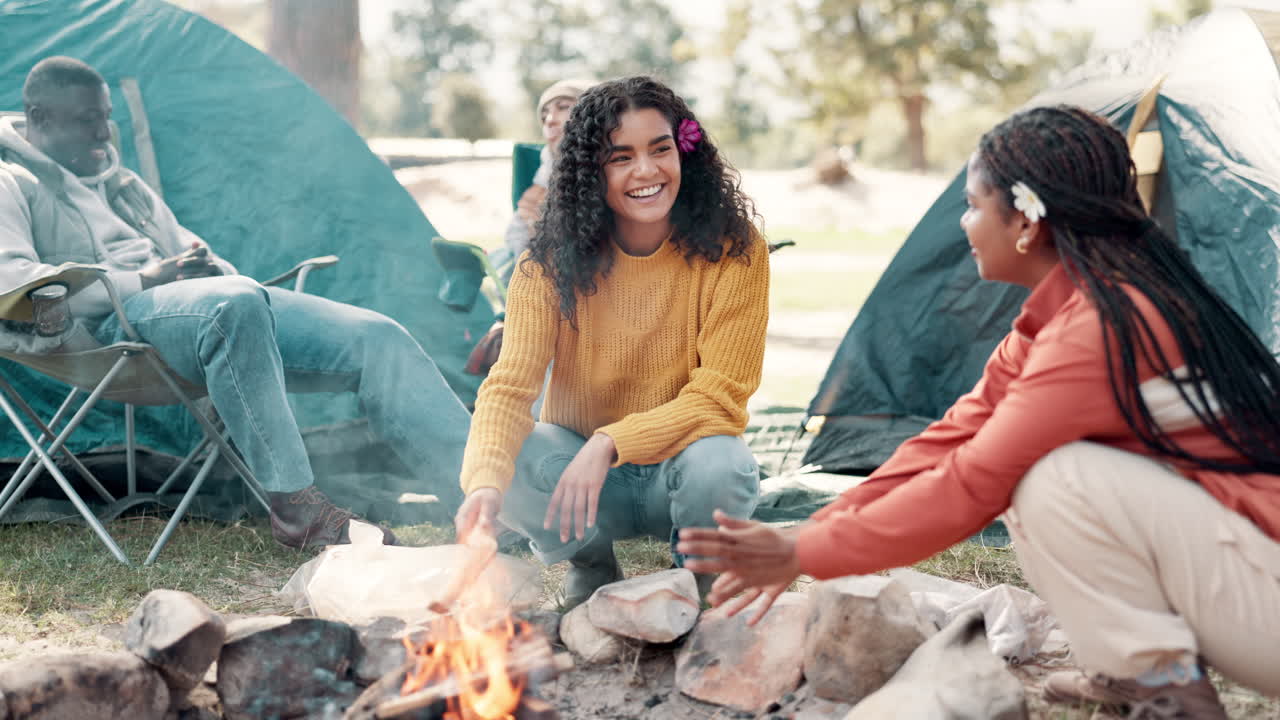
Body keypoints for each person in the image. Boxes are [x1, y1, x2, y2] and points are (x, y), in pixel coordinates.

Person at [677, 105, 1280, 718]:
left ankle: (1171, 692)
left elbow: (969, 486)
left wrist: (806, 555)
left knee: (1056, 481)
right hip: (1243, 576)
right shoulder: (1061, 315)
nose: (963, 223)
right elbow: (946, 443)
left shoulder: (1101, 325)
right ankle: (1134, 670)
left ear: (1025, 222)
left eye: (971, 204)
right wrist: (808, 532)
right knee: (1039, 475)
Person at [0, 56, 472, 549]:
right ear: (40, 119)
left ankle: (482, 503)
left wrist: (206, 267)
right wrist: (143, 279)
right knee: (234, 302)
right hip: (112, 331)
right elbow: (11, 280)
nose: (103, 133)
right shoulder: (11, 181)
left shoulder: (125, 187)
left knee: (378, 337)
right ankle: (297, 506)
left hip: (208, 312)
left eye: (106, 116)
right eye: (86, 119)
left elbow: (190, 250)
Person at [453, 76, 770, 609]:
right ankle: (590, 564)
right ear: (588, 171)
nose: (646, 171)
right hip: (585, 483)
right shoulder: (546, 264)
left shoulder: (735, 251)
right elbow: (509, 386)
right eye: (620, 157)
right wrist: (483, 484)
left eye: (660, 149)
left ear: (684, 153)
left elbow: (721, 396)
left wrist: (610, 441)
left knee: (724, 463)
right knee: (513, 455)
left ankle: (699, 576)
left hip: (681, 469)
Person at [490, 78, 593, 287]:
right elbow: (519, 235)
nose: (549, 120)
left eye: (563, 106)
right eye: (544, 113)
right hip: (534, 282)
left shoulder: (611, 171)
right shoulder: (545, 169)